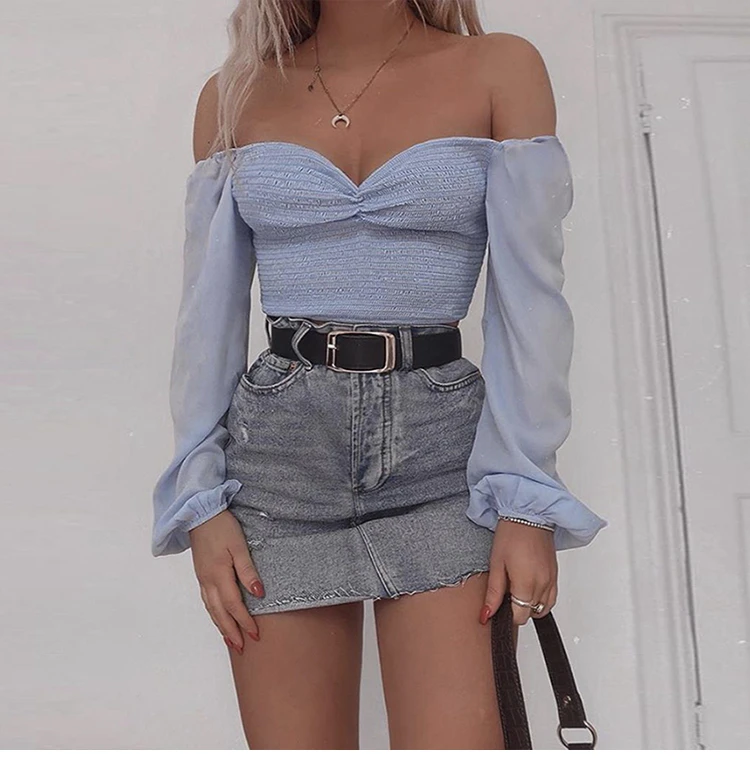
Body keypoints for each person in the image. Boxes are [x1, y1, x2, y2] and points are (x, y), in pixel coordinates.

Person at [151, 0, 607, 750]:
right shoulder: (233, 93)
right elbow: (206, 316)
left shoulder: (501, 68)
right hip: (277, 465)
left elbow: (530, 302)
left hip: (444, 461)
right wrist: (200, 500)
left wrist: (526, 500)